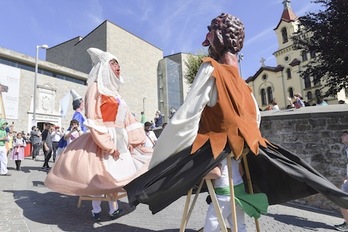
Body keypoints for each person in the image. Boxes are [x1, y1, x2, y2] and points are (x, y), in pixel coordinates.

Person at [125, 12, 348, 218]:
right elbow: (255, 120)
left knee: (222, 204)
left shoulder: (211, 69)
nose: (206, 41)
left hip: (217, 152)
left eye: (210, 33)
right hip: (244, 153)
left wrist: (160, 157)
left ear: (220, 37)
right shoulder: (245, 86)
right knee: (234, 201)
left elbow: (186, 115)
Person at [45, 48, 152, 222]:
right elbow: (94, 117)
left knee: (115, 178)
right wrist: (108, 145)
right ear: (104, 67)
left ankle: (112, 209)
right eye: (113, 63)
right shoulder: (95, 88)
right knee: (98, 179)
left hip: (121, 140)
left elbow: (128, 118)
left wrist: (133, 140)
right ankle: (96, 210)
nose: (118, 66)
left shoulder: (116, 94)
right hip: (103, 139)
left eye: (118, 63)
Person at [334, 131, 348, 231]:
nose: (341, 136)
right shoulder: (346, 149)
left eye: (344, 134)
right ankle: (346, 222)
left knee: (342, 200)